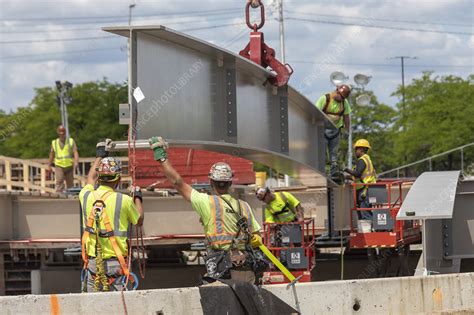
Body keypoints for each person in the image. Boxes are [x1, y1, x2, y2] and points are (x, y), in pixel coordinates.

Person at [149, 136, 264, 284]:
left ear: (211, 181)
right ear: (230, 183)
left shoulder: (207, 202)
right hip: (246, 269)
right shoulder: (244, 206)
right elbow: (257, 239)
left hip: (222, 269)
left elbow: (177, 182)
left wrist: (161, 157)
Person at [79, 141, 144, 292]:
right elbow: (139, 220)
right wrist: (138, 197)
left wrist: (100, 156)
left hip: (93, 266)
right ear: (118, 180)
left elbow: (90, 178)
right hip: (116, 265)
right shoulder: (124, 200)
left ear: (99, 178)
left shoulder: (86, 195)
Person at [315, 84, 351, 179]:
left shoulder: (344, 102)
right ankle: (321, 171)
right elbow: (315, 112)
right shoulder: (325, 99)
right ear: (337, 91)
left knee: (334, 153)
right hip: (322, 130)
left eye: (344, 98)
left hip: (335, 131)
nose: (342, 99)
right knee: (321, 152)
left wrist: (347, 130)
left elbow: (346, 116)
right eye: (342, 97)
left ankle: (334, 172)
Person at [343, 139, 376, 220]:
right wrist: (346, 177)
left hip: (364, 190)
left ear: (361, 149)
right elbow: (358, 176)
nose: (355, 152)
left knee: (365, 213)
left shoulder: (362, 160)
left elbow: (357, 174)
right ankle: (372, 228)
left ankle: (372, 230)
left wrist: (346, 169)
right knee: (364, 212)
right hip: (364, 189)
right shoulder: (367, 160)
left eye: (356, 149)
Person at [48, 125, 79, 192]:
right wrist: (49, 165)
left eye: (63, 132)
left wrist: (76, 162)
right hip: (59, 165)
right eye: (60, 132)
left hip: (69, 166)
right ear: (58, 132)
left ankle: (70, 196)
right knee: (59, 180)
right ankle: (59, 195)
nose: (62, 133)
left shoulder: (71, 141)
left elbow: (75, 152)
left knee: (70, 183)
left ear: (65, 132)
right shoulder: (54, 142)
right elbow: (51, 154)